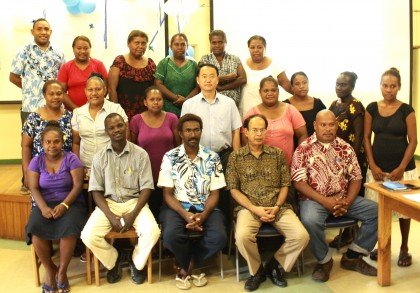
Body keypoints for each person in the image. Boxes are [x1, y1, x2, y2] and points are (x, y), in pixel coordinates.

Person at [291, 110, 378, 282]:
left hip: (343, 198)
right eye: (323, 125)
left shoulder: (345, 148)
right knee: (310, 219)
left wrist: (347, 202)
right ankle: (324, 261)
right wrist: (326, 202)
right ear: (315, 126)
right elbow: (299, 183)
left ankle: (353, 255)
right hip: (314, 200)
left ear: (337, 125)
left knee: (378, 211)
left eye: (331, 124)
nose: (328, 128)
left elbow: (356, 178)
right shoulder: (303, 149)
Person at [226, 114, 309, 291]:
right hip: (249, 207)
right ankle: (256, 272)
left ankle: (275, 266)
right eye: (255, 130)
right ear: (246, 132)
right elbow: (233, 189)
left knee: (301, 236)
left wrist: (277, 206)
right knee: (241, 236)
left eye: (262, 129)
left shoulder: (277, 154)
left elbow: (285, 184)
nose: (259, 134)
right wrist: (254, 208)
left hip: (277, 206)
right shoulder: (236, 157)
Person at [81, 113, 160, 285]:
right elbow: (95, 191)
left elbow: (147, 188)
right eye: (112, 127)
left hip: (135, 203)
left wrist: (132, 215)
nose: (116, 130)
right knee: (88, 235)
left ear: (125, 127)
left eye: (119, 126)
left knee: (153, 232)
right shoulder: (100, 157)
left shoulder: (140, 154)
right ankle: (113, 261)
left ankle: (136, 262)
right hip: (109, 204)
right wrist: (110, 215)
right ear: (107, 132)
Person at [157, 114, 227, 289]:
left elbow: (215, 193)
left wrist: (203, 215)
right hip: (177, 207)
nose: (193, 134)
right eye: (188, 130)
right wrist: (185, 214)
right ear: (180, 133)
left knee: (219, 237)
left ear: (201, 132)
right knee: (170, 236)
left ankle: (188, 263)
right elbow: (167, 194)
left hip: (206, 207)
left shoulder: (213, 158)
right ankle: (191, 263)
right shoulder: (170, 157)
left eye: (196, 130)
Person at [364, 67, 417, 267]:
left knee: (405, 212)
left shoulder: (407, 110)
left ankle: (404, 248)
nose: (389, 90)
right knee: (378, 210)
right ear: (380, 86)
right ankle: (382, 245)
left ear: (399, 87)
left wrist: (402, 167)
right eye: (385, 85)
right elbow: (367, 139)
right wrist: (372, 164)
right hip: (378, 170)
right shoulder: (371, 108)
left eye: (393, 86)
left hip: (403, 170)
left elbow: (413, 141)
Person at [181, 63, 242, 236]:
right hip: (197, 157)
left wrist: (236, 156)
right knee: (200, 195)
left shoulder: (229, 103)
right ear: (198, 80)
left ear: (217, 79)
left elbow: (235, 130)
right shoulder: (189, 104)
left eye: (212, 76)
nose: (208, 80)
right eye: (204, 76)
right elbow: (183, 132)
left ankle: (224, 237)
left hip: (224, 155)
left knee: (225, 196)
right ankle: (202, 233)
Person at [26, 121, 86, 293]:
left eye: (56, 141)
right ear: (42, 143)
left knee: (69, 228)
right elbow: (33, 187)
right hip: (44, 203)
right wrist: (43, 208)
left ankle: (62, 272)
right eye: (48, 142)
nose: (52, 145)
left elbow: (77, 185)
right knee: (35, 228)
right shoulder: (36, 161)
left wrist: (65, 205)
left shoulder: (71, 159)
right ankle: (50, 270)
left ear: (62, 141)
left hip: (71, 202)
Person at [10, 18, 65, 194]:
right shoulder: (23, 52)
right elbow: (13, 77)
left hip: (55, 108)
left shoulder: (58, 53)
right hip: (31, 107)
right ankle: (27, 180)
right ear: (32, 32)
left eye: (46, 29)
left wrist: (53, 95)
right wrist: (30, 90)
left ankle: (52, 180)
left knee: (54, 143)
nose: (43, 32)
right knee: (29, 145)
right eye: (39, 29)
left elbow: (62, 80)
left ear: (51, 32)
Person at [328, 71, 367, 249]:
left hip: (353, 160)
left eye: (343, 85)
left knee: (352, 197)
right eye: (337, 83)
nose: (339, 87)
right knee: (340, 195)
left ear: (352, 87)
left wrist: (354, 160)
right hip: (335, 160)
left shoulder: (356, 106)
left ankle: (351, 233)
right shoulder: (334, 105)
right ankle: (346, 233)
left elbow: (359, 136)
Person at [130, 86, 180, 219]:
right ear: (145, 102)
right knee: (149, 211)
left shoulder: (172, 118)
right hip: (145, 173)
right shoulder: (136, 120)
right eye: (152, 99)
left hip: (168, 173)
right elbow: (132, 148)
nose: (156, 102)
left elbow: (179, 146)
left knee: (167, 210)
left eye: (159, 99)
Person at [22, 80, 73, 206]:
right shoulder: (33, 118)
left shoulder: (71, 117)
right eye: (51, 94)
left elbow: (76, 144)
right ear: (44, 95)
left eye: (59, 93)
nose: (56, 97)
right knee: (41, 211)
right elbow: (26, 146)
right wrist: (27, 173)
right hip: (39, 174)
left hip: (65, 175)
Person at [244, 76, 307, 166]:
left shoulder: (290, 110)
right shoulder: (252, 113)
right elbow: (244, 139)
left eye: (273, 90)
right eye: (266, 91)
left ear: (278, 91)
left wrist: (299, 158)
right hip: (259, 168)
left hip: (287, 166)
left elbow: (303, 135)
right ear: (260, 92)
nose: (270, 93)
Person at [71, 75, 128, 175]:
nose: (94, 93)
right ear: (85, 91)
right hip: (87, 169)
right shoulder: (78, 113)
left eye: (98, 89)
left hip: (113, 166)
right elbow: (76, 143)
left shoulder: (115, 109)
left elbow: (126, 137)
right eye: (90, 90)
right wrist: (78, 165)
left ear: (105, 90)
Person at [108, 30, 156, 121]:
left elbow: (155, 89)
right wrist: (116, 113)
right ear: (128, 44)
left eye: (143, 43)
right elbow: (111, 89)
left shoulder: (151, 63)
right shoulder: (119, 61)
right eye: (136, 43)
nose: (140, 46)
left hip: (146, 115)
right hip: (124, 114)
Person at [239, 35, 291, 117]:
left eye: (259, 47)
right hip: (247, 112)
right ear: (248, 48)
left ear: (265, 48)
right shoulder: (241, 64)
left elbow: (287, 85)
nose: (256, 50)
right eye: (252, 47)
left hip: (270, 113)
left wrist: (302, 98)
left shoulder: (275, 64)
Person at [57, 35, 108, 110]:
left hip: (96, 110)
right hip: (73, 112)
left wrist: (94, 107)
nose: (82, 51)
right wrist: (76, 110)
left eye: (86, 48)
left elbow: (105, 88)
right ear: (73, 49)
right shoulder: (66, 67)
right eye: (79, 48)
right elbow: (62, 92)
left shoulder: (98, 65)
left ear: (90, 49)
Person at [154, 33, 199, 117]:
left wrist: (186, 100)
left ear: (187, 47)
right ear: (171, 47)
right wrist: (176, 99)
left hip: (189, 108)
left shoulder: (193, 65)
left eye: (183, 44)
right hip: (167, 109)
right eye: (176, 44)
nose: (180, 47)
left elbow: (198, 86)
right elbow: (158, 84)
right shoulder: (164, 63)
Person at [199, 29, 246, 105]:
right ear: (210, 44)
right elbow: (203, 79)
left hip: (232, 104)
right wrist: (227, 78)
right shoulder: (205, 59)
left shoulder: (234, 59)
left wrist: (222, 87)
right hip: (210, 104)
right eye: (214, 43)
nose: (217, 45)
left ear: (225, 42)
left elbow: (243, 79)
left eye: (220, 42)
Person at [283, 71, 326, 137]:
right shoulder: (285, 105)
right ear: (292, 87)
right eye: (297, 84)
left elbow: (325, 125)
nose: (302, 86)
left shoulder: (318, 103)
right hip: (293, 145)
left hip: (315, 144)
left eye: (304, 83)